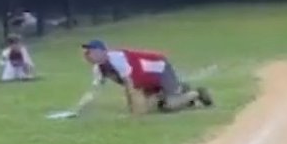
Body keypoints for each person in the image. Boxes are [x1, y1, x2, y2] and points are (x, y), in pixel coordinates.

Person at [80, 40, 213, 114]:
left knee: (169, 105)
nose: (88, 55)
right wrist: (80, 108)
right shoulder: (99, 68)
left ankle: (197, 93)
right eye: (87, 53)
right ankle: (181, 91)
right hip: (146, 80)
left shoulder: (116, 59)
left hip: (159, 70)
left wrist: (134, 112)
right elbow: (94, 91)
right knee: (156, 107)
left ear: (103, 51)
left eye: (91, 52)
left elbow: (130, 86)